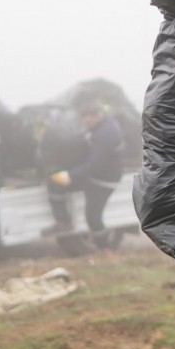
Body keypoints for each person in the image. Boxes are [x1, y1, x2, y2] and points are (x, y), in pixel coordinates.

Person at [41, 101, 124, 247]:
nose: (86, 123)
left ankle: (105, 249)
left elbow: (94, 165)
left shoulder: (106, 134)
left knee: (92, 217)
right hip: (92, 176)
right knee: (55, 182)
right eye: (83, 119)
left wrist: (71, 175)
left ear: (99, 115)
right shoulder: (100, 125)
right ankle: (63, 222)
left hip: (103, 181)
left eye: (88, 119)